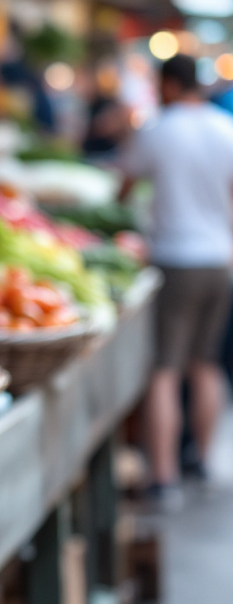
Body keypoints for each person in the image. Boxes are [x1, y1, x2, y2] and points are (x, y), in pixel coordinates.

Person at [119, 54, 233, 504]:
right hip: (218, 261)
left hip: (174, 259)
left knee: (165, 370)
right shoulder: (225, 128)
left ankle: (162, 477)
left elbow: (124, 188)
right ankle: (201, 460)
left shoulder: (158, 131)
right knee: (206, 363)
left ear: (168, 84)